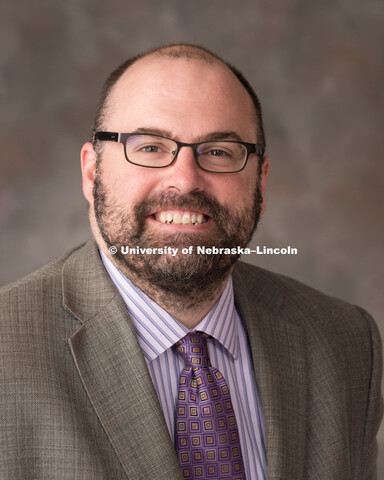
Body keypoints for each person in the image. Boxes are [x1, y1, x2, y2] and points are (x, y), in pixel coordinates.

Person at [0, 44, 382, 480]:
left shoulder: (347, 344)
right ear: (92, 174)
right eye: (149, 147)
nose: (184, 179)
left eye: (219, 151)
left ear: (261, 180)